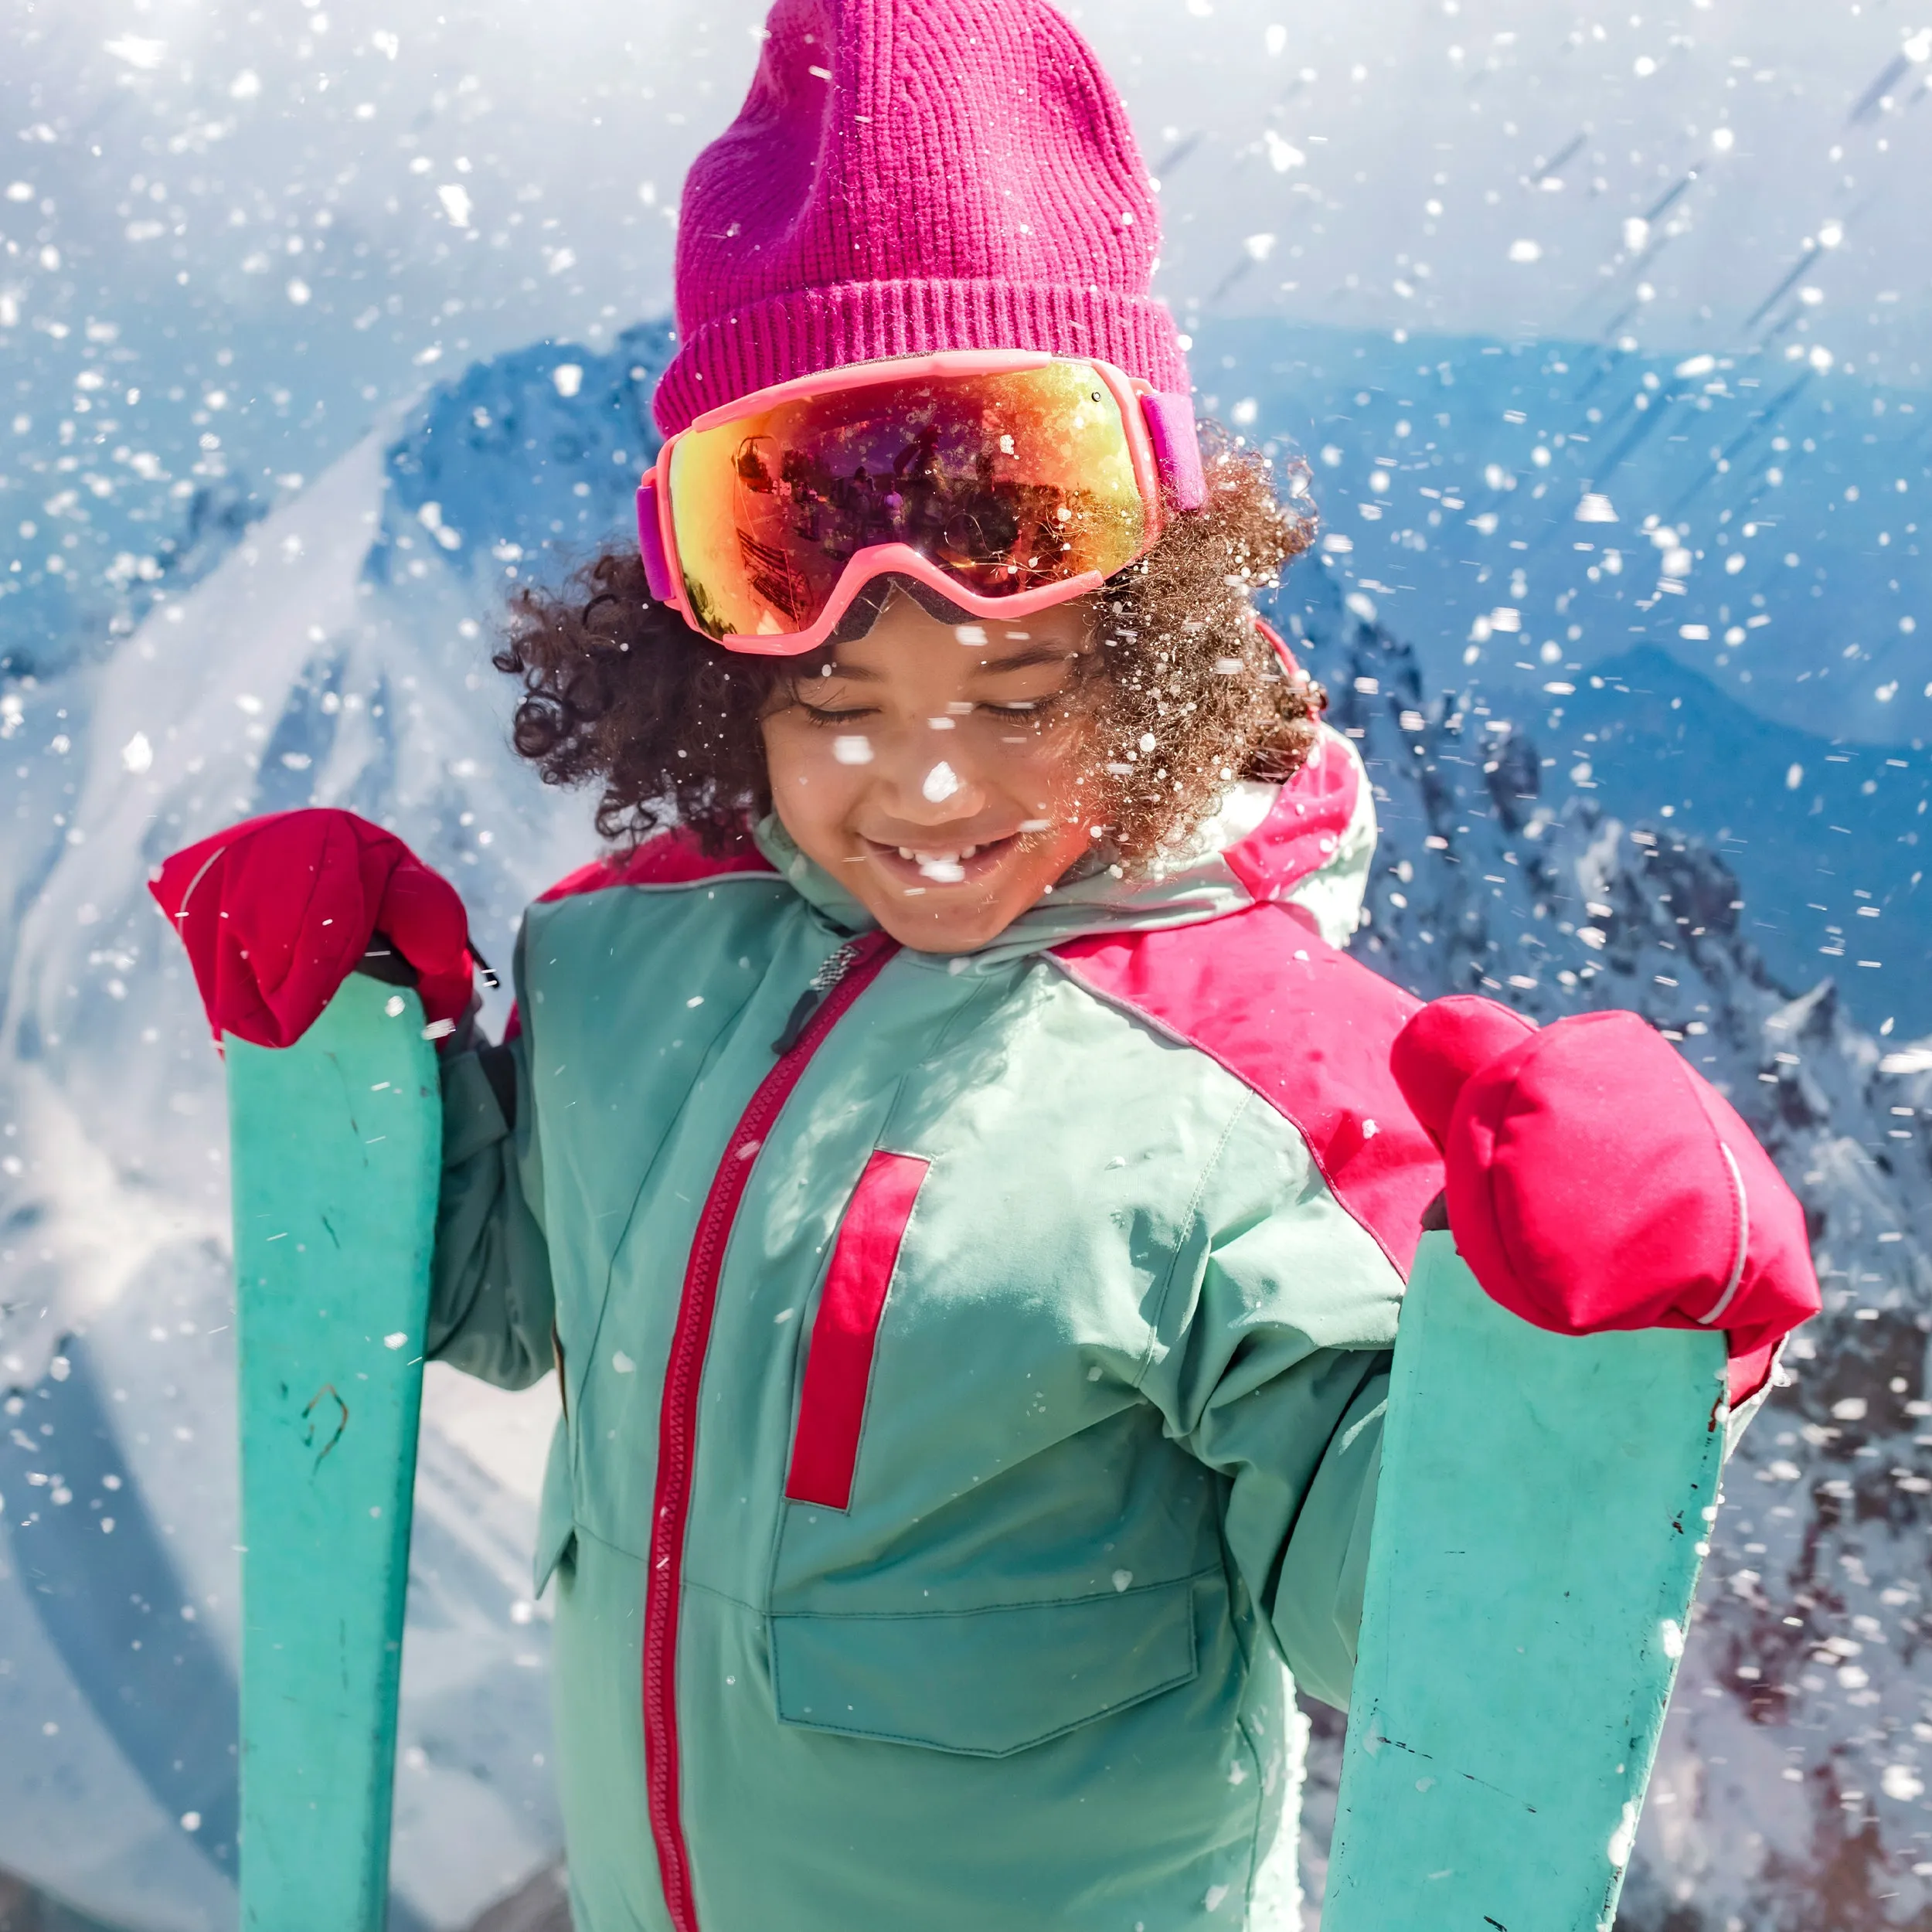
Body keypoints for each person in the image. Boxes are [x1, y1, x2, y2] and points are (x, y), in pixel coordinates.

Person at [151, 1, 1820, 1926]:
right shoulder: (631, 960)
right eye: (839, 699)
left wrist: (1577, 1356)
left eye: (1019, 689)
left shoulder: (1256, 1083)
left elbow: (1394, 1605)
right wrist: (372, 1062)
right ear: (724, 682)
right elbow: (522, 1294)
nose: (928, 781)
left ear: (1154, 658)